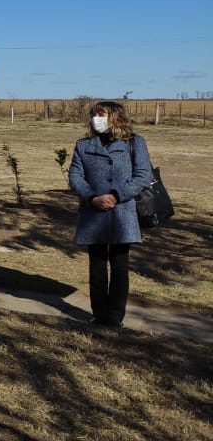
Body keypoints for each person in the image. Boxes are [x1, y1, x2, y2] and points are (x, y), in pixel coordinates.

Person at [68, 101, 152, 327]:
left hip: (122, 214)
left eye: (101, 114)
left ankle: (115, 317)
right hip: (92, 215)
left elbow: (143, 175)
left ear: (115, 117)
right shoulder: (83, 145)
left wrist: (116, 195)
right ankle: (99, 313)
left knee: (119, 265)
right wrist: (92, 197)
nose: (97, 118)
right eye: (94, 114)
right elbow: (75, 177)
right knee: (96, 265)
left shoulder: (134, 143)